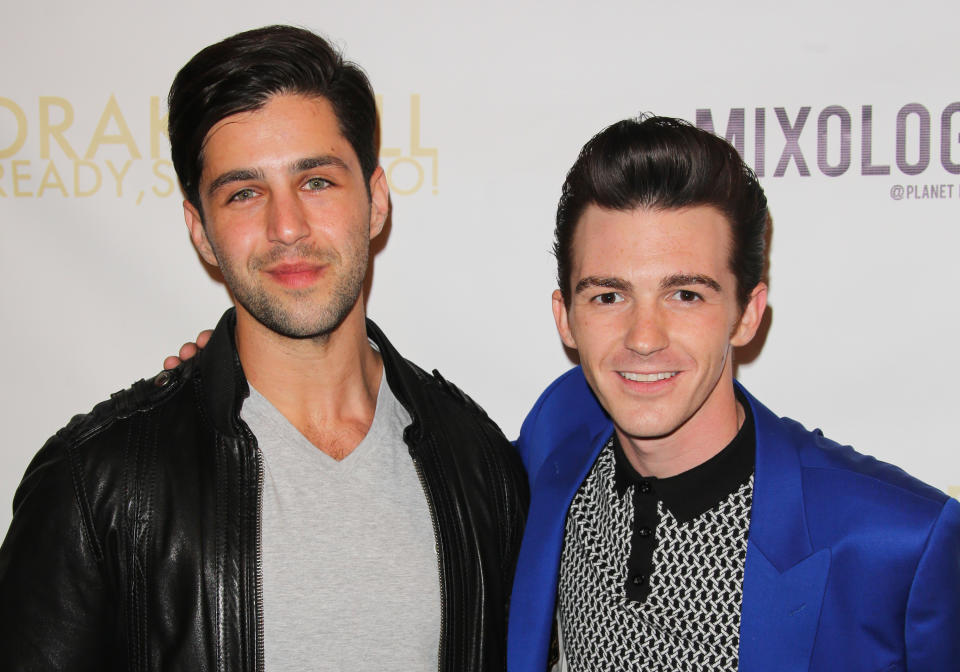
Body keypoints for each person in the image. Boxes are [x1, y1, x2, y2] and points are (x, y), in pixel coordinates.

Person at [0, 25, 527, 671]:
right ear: (200, 229)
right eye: (244, 193)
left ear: (377, 200)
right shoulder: (98, 484)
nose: (287, 228)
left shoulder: (481, 465)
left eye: (316, 182)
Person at [506, 116, 960, 671]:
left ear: (747, 314)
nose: (643, 338)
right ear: (566, 318)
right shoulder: (556, 435)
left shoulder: (898, 543)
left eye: (686, 295)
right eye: (608, 296)